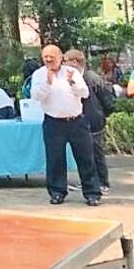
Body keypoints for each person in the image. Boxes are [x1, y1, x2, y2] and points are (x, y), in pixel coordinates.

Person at [30, 44, 101, 206]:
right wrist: (47, 83)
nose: (49, 60)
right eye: (45, 57)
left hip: (76, 121)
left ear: (61, 57)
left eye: (52, 57)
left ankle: (92, 193)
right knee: (55, 159)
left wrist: (72, 83)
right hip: (53, 123)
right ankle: (57, 192)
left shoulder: (72, 72)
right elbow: (36, 96)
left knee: (86, 158)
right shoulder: (39, 74)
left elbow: (85, 93)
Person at [63, 49, 115, 193]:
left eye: (65, 60)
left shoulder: (91, 78)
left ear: (74, 62)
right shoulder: (72, 78)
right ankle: (89, 181)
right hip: (81, 119)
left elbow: (107, 99)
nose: (64, 64)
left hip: (93, 119)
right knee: (85, 153)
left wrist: (102, 114)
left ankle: (103, 182)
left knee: (96, 152)